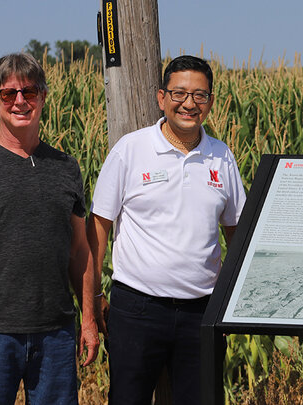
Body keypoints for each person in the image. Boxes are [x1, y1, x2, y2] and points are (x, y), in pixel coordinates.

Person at [0, 53, 99, 404]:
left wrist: (88, 318)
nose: (20, 102)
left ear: (43, 97)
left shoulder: (66, 167)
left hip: (56, 333)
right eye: (9, 94)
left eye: (29, 92)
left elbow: (80, 251)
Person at [87, 55, 246, 405]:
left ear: (210, 102)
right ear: (162, 98)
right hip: (137, 308)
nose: (189, 104)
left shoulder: (222, 157)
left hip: (202, 313)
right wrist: (93, 297)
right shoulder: (131, 149)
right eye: (179, 93)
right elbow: (99, 226)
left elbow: (237, 233)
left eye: (200, 96)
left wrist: (232, 299)